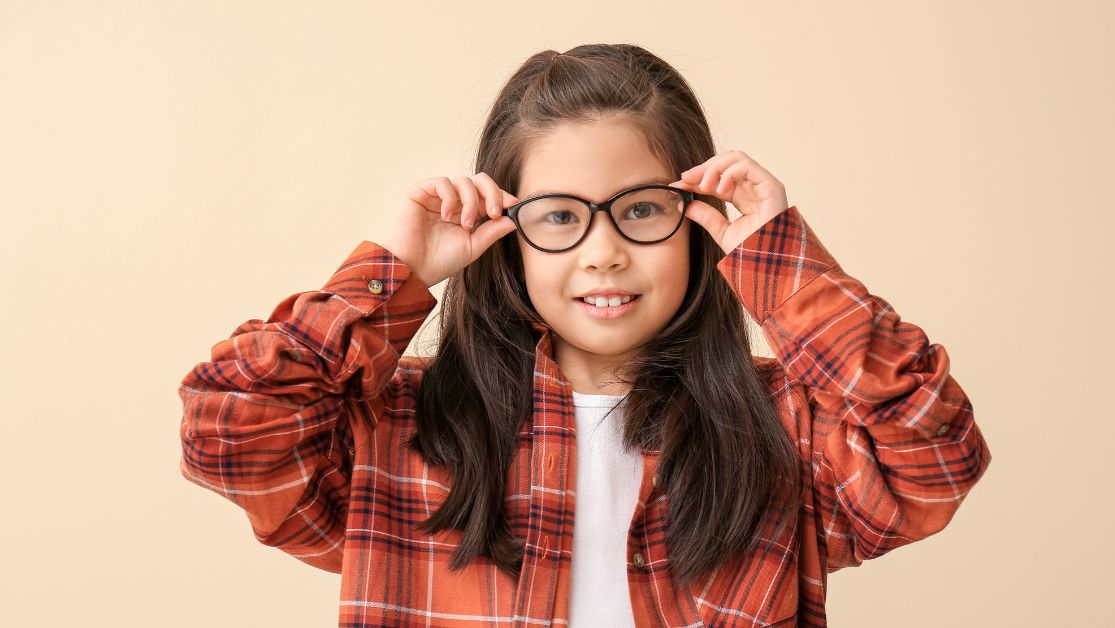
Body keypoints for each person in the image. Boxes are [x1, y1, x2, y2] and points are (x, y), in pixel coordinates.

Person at [178, 43, 992, 627]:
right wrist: (396, 272)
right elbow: (229, 429)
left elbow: (935, 451)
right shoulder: (402, 432)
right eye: (560, 216)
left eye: (641, 210)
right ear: (508, 234)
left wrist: (782, 264)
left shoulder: (781, 427)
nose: (604, 252)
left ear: (697, 222)